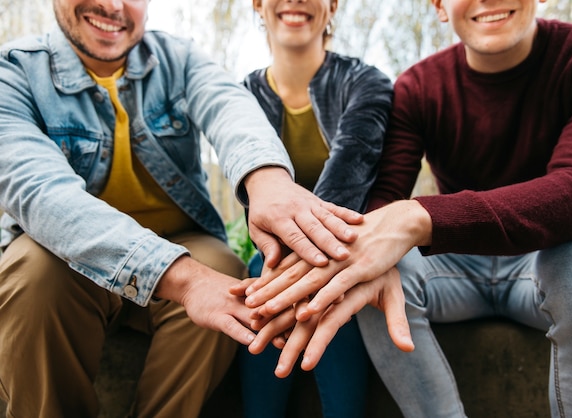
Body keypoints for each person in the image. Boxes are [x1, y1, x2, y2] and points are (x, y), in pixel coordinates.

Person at [242, 0, 572, 416]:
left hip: (551, 259)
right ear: (440, 6)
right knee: (375, 272)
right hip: (453, 267)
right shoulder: (419, 86)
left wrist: (417, 216)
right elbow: (383, 197)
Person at [0, 0, 366, 416]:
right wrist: (187, 282)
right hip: (61, 256)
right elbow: (41, 194)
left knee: (225, 273)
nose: (113, 6)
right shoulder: (12, 74)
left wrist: (267, 180)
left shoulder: (180, 58)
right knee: (32, 272)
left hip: (178, 237)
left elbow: (230, 109)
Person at [235, 0, 393, 416]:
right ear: (257, 5)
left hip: (346, 242)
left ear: (333, 5)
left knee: (328, 275)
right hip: (274, 255)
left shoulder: (366, 83)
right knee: (259, 271)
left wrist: (306, 261)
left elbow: (352, 171)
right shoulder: (242, 97)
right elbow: (256, 201)